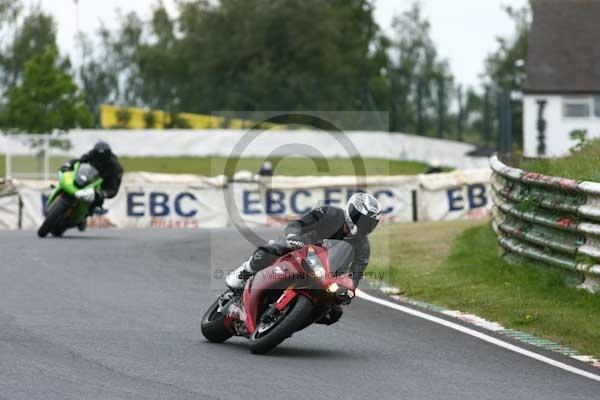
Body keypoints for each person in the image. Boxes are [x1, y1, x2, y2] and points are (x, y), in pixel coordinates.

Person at [225, 192, 382, 325]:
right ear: (351, 211)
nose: (364, 225)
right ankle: (244, 272)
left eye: (369, 223)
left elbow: (355, 276)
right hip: (298, 249)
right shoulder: (329, 213)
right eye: (361, 219)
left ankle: (289, 322)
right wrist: (294, 235)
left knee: (333, 312)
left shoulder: (363, 247)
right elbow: (298, 223)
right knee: (269, 252)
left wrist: (347, 292)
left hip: (324, 274)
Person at [60, 141, 123, 229]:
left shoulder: (116, 167)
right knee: (68, 178)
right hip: (86, 177)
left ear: (108, 156)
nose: (100, 159)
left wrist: (103, 193)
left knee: (96, 202)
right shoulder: (92, 154)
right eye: (98, 156)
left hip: (101, 186)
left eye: (102, 158)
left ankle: (83, 217)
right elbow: (79, 161)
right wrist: (69, 165)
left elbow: (114, 189)